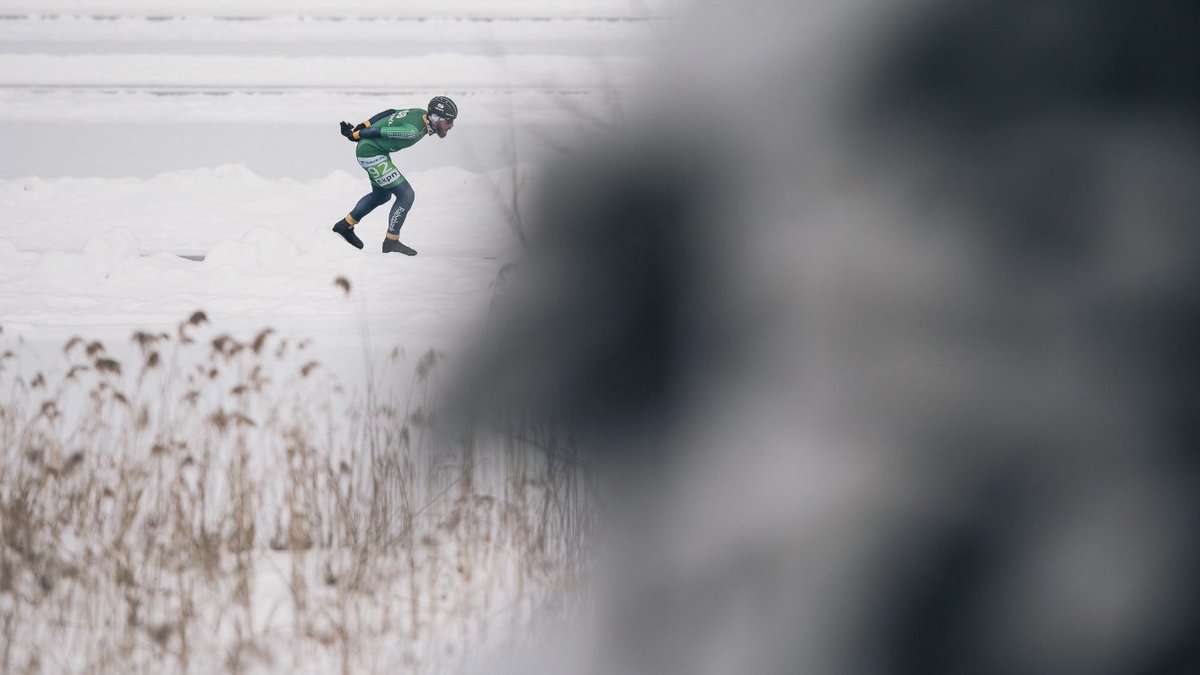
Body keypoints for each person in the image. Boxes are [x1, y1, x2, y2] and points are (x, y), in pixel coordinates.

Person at [331, 96, 458, 255]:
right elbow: (377, 131)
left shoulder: (420, 113)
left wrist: (361, 126)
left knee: (381, 195)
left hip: (375, 150)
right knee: (406, 194)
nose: (451, 125)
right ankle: (391, 241)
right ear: (436, 118)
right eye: (449, 121)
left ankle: (345, 225)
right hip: (371, 153)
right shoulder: (412, 132)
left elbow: (389, 112)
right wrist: (355, 135)